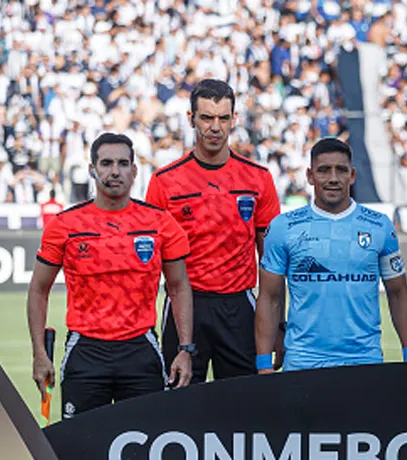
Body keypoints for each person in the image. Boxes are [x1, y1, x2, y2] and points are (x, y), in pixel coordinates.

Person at [27, 133, 194, 418]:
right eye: (106, 163)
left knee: (149, 449)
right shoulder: (64, 225)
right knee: (79, 450)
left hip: (140, 349)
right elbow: (38, 290)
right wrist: (40, 354)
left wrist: (185, 349)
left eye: (122, 163)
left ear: (134, 170)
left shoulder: (160, 223)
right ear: (92, 169)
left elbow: (179, 288)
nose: (114, 171)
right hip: (86, 352)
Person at [145, 79, 282, 382]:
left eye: (223, 118)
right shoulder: (164, 181)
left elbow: (272, 261)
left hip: (239, 307)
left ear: (234, 120)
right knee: (179, 410)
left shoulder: (258, 178)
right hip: (184, 307)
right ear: (191, 118)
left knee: (240, 411)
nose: (215, 127)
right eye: (206, 118)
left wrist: (278, 325)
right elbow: (150, 266)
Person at [254, 138, 407, 370]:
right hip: (302, 363)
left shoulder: (380, 226)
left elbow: (398, 293)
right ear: (310, 176)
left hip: (364, 361)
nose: (332, 178)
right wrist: (263, 364)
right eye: (323, 171)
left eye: (340, 170)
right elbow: (269, 298)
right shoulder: (283, 228)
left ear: (352, 175)